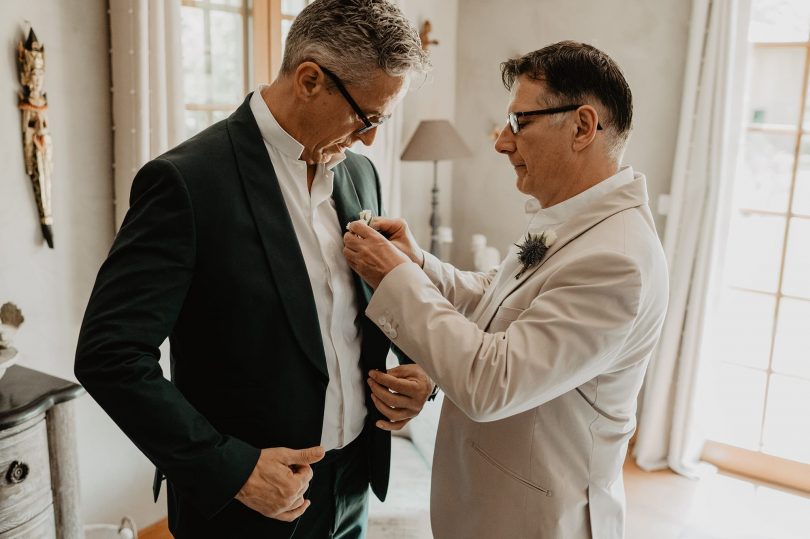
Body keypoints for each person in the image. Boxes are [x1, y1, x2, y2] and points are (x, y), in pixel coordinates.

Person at [75, 1, 432, 537]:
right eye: (367, 119)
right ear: (310, 80)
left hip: (353, 482)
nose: (370, 140)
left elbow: (371, 305)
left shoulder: (360, 174)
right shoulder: (187, 183)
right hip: (244, 505)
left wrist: (420, 371)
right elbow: (110, 355)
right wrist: (231, 467)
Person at [343, 41, 669, 539]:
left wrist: (395, 278)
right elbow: (497, 300)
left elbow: (491, 383)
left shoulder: (617, 260)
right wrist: (420, 264)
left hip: (535, 519)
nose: (501, 142)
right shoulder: (572, 219)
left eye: (520, 122)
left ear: (582, 126)